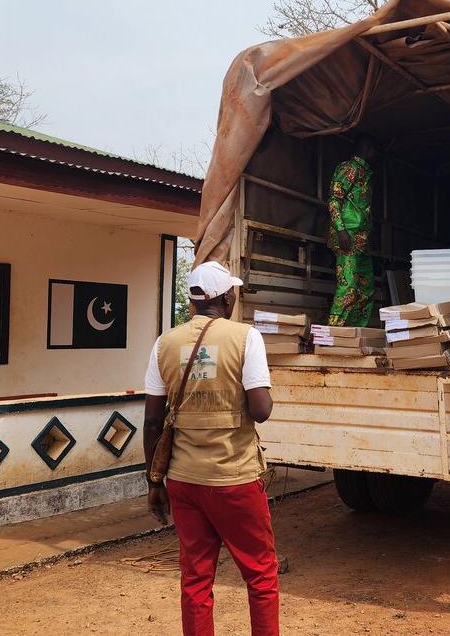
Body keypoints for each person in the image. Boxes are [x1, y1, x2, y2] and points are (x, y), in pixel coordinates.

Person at [143, 261, 279, 636]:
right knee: (261, 576)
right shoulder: (245, 337)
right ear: (226, 296)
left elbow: (153, 421)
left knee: (196, 580)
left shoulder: (163, 344)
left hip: (184, 482)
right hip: (234, 478)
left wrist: (155, 484)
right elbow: (261, 410)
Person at [328, 135, 378, 326]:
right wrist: (341, 230)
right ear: (367, 147)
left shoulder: (366, 174)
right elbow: (334, 199)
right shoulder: (349, 168)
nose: (377, 154)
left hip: (361, 240)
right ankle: (331, 334)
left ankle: (357, 333)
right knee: (347, 285)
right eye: (375, 150)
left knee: (366, 288)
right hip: (347, 236)